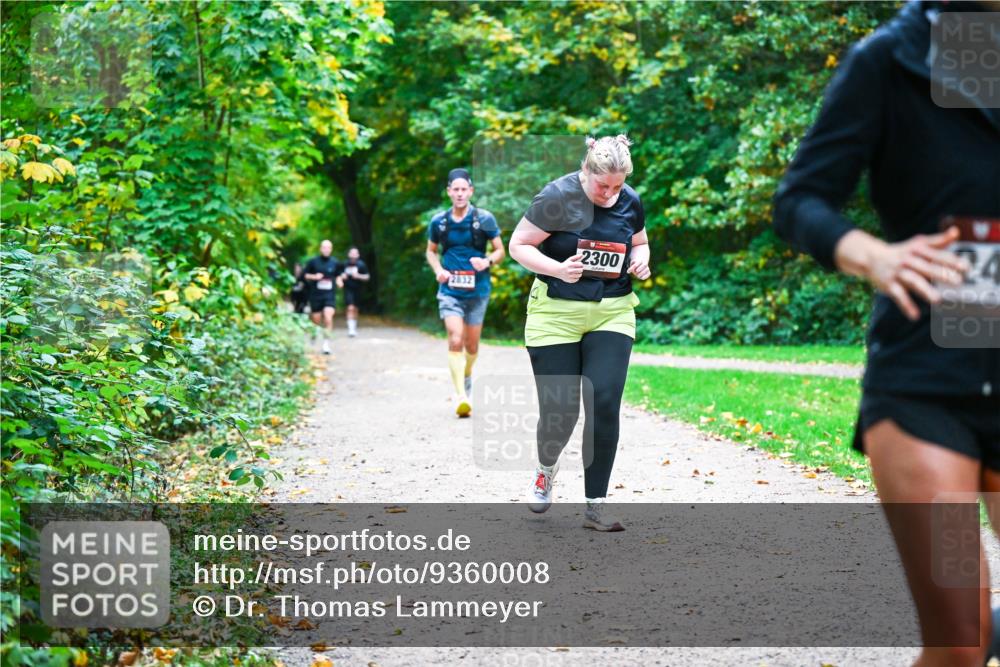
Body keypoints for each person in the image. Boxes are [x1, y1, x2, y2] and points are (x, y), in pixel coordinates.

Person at [773, 2, 1000, 664]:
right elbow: (799, 200)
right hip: (930, 392)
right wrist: (875, 256)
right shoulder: (891, 61)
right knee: (961, 641)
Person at [508, 135, 651, 532]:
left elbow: (640, 242)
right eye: (603, 185)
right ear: (586, 170)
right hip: (555, 312)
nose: (610, 194)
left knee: (604, 400)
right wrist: (557, 269)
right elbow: (519, 245)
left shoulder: (630, 200)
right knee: (561, 413)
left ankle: (596, 505)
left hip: (612, 310)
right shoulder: (556, 196)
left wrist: (640, 261)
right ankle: (545, 469)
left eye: (618, 186)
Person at [426, 168, 506, 418]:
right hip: (449, 290)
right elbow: (431, 251)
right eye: (455, 189)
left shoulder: (484, 219)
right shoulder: (439, 222)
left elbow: (500, 251)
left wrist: (487, 261)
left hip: (478, 291)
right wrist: (438, 270)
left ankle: (467, 371)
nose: (460, 193)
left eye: (464, 189)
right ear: (449, 192)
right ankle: (462, 396)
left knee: (471, 346)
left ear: (471, 191)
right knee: (455, 338)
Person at [303, 239, 343, 355]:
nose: (326, 250)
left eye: (328, 247)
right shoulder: (313, 262)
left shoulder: (335, 262)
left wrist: (339, 281)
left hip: (329, 294)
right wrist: (314, 277)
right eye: (324, 247)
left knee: (328, 317)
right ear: (320, 249)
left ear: (331, 249)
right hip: (316, 295)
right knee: (316, 319)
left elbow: (338, 275)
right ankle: (314, 334)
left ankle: (326, 344)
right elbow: (304, 275)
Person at [342, 246, 370, 338]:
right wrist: (342, 276)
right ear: (349, 254)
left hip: (358, 289)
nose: (353, 255)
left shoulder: (361, 264)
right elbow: (338, 275)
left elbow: (367, 277)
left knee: (355, 309)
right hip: (348, 289)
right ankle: (350, 329)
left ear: (358, 255)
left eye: (355, 253)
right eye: (352, 253)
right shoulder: (344, 264)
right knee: (350, 307)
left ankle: (353, 326)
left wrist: (358, 276)